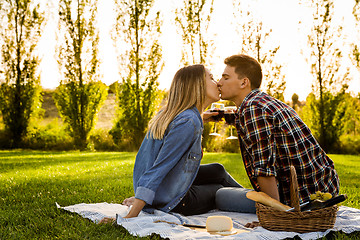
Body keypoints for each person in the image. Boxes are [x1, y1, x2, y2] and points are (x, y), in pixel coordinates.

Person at [100, 64, 243, 223]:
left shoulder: (174, 114)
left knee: (218, 170)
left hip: (166, 188)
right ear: (197, 86)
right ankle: (263, 205)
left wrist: (202, 117)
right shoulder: (188, 122)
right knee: (220, 192)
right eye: (211, 78)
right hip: (176, 201)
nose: (217, 82)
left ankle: (258, 199)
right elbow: (159, 168)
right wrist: (130, 216)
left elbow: (178, 133)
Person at [215, 54, 340, 213]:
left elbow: (264, 170)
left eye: (225, 77)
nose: (219, 82)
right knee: (220, 179)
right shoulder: (262, 102)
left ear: (243, 82)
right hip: (323, 188)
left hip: (301, 200)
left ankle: (275, 208)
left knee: (220, 195)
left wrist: (274, 213)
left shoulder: (253, 110)